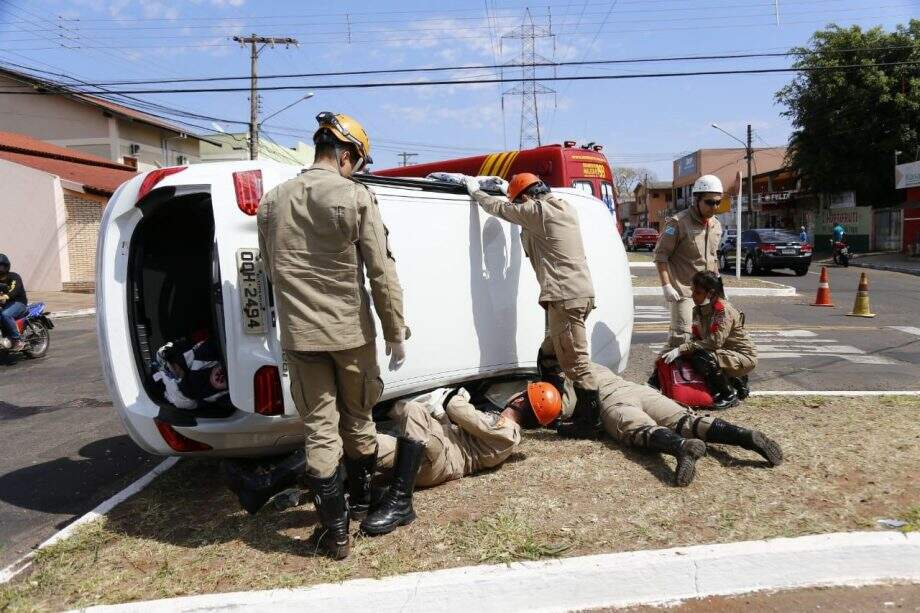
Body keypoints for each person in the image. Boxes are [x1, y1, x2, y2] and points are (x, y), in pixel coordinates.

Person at [257, 112, 409, 560]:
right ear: (347, 155)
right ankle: (362, 505)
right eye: (356, 162)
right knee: (359, 420)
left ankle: (335, 534)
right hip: (352, 334)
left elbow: (270, 269)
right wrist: (395, 331)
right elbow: (382, 273)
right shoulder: (356, 196)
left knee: (320, 432)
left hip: (302, 338)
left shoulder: (273, 201)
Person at [463, 173, 600, 439]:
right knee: (549, 355)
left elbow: (501, 209)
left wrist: (477, 193)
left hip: (565, 297)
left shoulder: (538, 211)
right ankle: (554, 407)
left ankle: (590, 422)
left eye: (519, 201)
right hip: (575, 294)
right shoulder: (562, 206)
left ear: (526, 198)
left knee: (577, 362)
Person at [361, 381, 562, 535]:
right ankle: (361, 493)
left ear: (520, 400)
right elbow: (463, 429)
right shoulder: (503, 432)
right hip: (430, 457)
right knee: (368, 444)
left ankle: (400, 503)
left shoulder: (507, 433)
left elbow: (457, 409)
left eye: (521, 391)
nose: (516, 392)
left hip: (441, 457)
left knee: (414, 410)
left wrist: (455, 395)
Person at [557, 363, 782, 486]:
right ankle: (743, 435)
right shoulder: (593, 363)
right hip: (641, 390)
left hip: (614, 400)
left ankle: (681, 447)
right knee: (689, 421)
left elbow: (563, 410)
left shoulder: (567, 375)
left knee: (641, 430)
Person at [661, 271, 757, 409]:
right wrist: (681, 351)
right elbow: (697, 338)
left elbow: (714, 342)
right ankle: (736, 382)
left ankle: (729, 395)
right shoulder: (698, 311)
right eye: (693, 291)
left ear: (710, 293)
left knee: (703, 357)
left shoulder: (722, 311)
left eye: (698, 292)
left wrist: (681, 349)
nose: (693, 296)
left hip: (743, 356)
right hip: (724, 353)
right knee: (693, 355)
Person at [653, 175, 723, 349]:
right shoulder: (677, 223)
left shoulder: (716, 225)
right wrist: (666, 286)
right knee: (681, 338)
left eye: (717, 202)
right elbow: (661, 256)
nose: (714, 207)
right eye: (709, 202)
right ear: (697, 200)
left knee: (709, 337)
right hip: (684, 291)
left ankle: (695, 376)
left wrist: (720, 288)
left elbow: (713, 258)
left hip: (709, 293)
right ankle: (662, 374)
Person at [0, 254, 27, 351]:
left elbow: (15, 290)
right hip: (5, 304)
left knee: (5, 314)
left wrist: (6, 296)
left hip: (19, 303)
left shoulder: (14, 276)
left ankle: (17, 340)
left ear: (6, 266)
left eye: (1, 265)